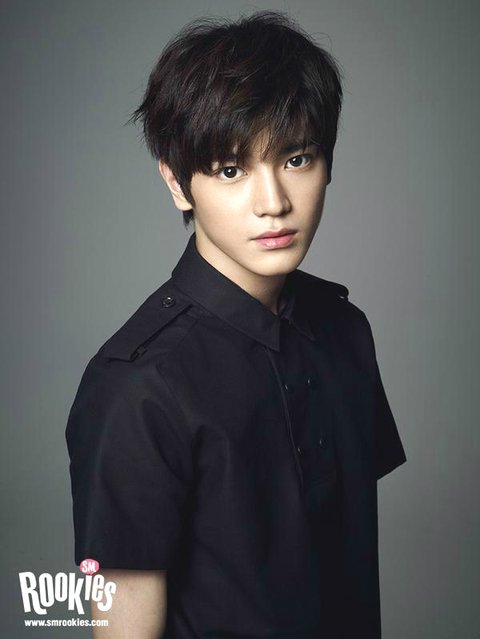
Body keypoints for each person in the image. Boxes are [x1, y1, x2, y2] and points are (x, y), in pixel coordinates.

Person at [65, 10, 407, 639]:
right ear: (177, 184)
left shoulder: (345, 331)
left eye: (297, 159)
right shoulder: (137, 388)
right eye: (231, 169)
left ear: (329, 163)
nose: (273, 202)